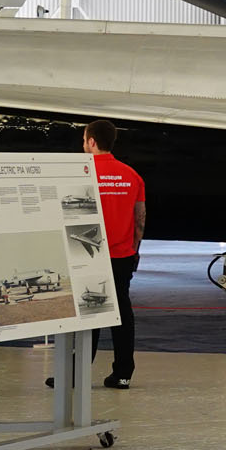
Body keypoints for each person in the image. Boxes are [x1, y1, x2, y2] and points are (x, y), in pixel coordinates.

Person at [85, 119, 144, 389]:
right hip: (122, 255)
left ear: (92, 142)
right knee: (122, 314)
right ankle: (122, 373)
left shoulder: (81, 172)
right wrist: (135, 250)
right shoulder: (132, 176)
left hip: (87, 255)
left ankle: (77, 373)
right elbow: (140, 217)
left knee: (89, 314)